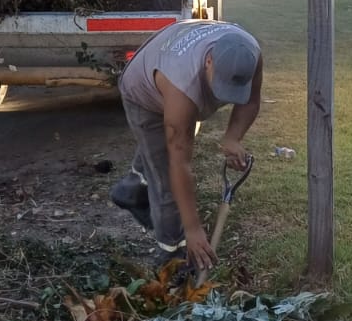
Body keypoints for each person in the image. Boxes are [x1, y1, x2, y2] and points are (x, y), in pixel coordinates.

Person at [110, 20, 263, 271]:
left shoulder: (250, 53)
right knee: (166, 180)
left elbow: (251, 101)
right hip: (142, 92)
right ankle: (173, 256)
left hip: (170, 73)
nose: (225, 96)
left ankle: (129, 190)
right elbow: (179, 163)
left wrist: (233, 137)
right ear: (209, 62)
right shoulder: (183, 85)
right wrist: (192, 229)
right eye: (222, 85)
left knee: (157, 150)